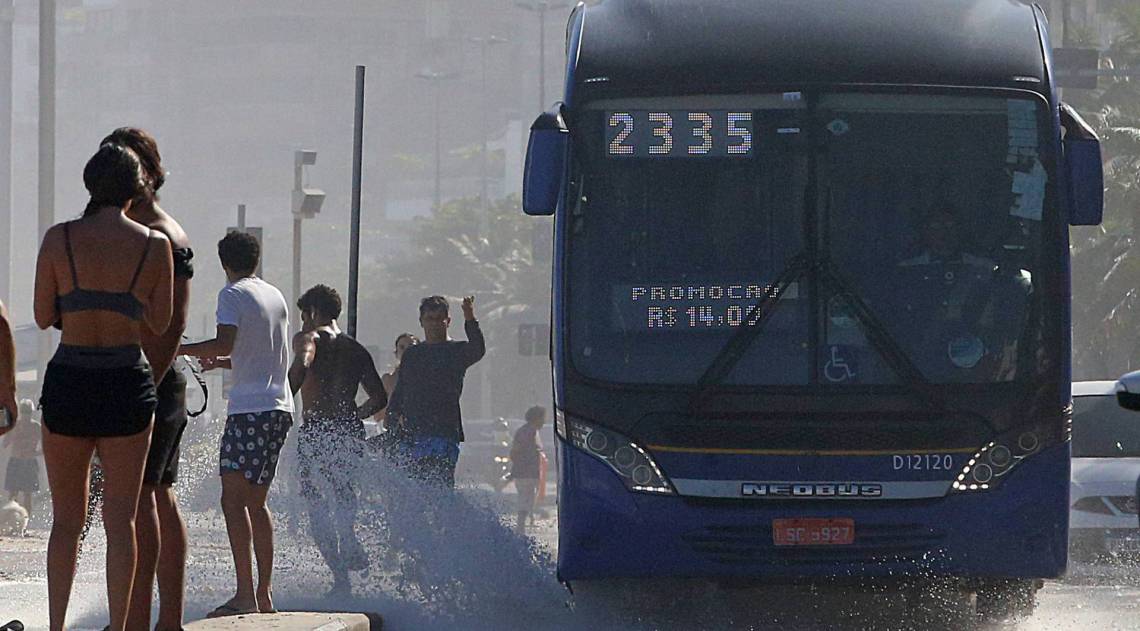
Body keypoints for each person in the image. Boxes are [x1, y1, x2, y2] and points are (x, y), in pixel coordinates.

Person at [33, 143, 173, 631]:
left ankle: (54, 624)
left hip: (70, 378)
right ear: (137, 190)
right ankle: (120, 626)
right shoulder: (155, 246)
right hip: (125, 383)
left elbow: (42, 315)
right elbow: (160, 320)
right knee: (121, 521)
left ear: (89, 183)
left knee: (66, 521)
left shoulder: (59, 239)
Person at [106, 128, 195, 631]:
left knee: (141, 499)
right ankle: (156, 621)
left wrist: (144, 387)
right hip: (143, 378)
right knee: (156, 494)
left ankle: (146, 621)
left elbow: (173, 323)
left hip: (152, 380)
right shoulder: (133, 229)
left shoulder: (162, 232)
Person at [181, 231, 292, 617]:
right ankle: (263, 593)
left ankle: (244, 593)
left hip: (250, 410)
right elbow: (255, 353)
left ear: (223, 262)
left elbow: (224, 342)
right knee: (256, 503)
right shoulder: (274, 294)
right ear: (256, 258)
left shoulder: (231, 294)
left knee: (232, 499)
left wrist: (179, 349)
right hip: (279, 407)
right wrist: (223, 362)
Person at [287, 284, 387, 596]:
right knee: (344, 492)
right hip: (347, 431)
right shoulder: (356, 349)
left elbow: (301, 367)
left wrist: (282, 403)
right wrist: (355, 415)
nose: (303, 323)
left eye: (304, 316)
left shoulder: (308, 338)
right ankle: (349, 535)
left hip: (317, 432)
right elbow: (379, 398)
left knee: (315, 503)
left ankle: (340, 577)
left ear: (313, 312)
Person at [385, 295, 485, 487]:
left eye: (440, 319)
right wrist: (392, 415)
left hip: (443, 434)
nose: (435, 324)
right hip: (413, 434)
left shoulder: (457, 351)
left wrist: (469, 317)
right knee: (413, 491)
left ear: (448, 321)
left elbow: (478, 349)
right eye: (429, 319)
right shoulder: (413, 355)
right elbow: (401, 389)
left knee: (440, 488)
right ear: (421, 322)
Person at [508, 406, 546, 534]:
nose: (544, 421)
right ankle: (520, 527)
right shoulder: (528, 432)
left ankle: (524, 524)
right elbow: (516, 451)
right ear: (536, 418)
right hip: (525, 472)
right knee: (525, 497)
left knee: (527, 498)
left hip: (529, 471)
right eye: (542, 418)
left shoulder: (531, 431)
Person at [3, 400, 41, 523]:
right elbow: (4, 444)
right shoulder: (15, 426)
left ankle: (25, 524)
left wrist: (34, 452)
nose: (26, 415)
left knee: (27, 495)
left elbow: (47, 447)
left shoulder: (36, 427)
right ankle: (10, 521)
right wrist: (13, 435)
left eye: (28, 412)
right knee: (13, 494)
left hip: (29, 463)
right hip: (16, 462)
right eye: (24, 412)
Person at [374, 332, 418, 428]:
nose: (406, 351)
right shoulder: (388, 380)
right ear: (396, 353)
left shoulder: (425, 379)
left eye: (411, 347)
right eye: (402, 347)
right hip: (393, 432)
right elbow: (377, 416)